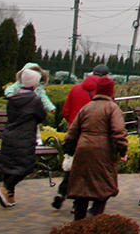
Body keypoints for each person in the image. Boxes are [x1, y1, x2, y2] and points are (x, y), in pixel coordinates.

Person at [64, 76, 127, 220]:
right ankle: (94, 219)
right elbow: (118, 132)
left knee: (81, 188)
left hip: (83, 150)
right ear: (111, 92)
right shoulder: (112, 108)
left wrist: (69, 150)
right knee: (102, 188)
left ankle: (78, 223)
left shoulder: (86, 108)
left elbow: (71, 133)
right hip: (103, 152)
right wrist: (122, 150)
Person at [0, 67, 48, 207]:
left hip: (9, 135)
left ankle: (9, 197)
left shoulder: (12, 98)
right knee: (26, 167)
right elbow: (42, 116)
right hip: (25, 137)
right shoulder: (34, 100)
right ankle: (5, 188)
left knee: (10, 166)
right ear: (34, 84)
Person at [53, 69, 102, 209]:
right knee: (86, 170)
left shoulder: (75, 89)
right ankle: (78, 203)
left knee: (71, 167)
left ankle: (61, 193)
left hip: (74, 135)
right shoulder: (101, 94)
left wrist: (73, 124)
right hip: (91, 136)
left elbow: (65, 111)